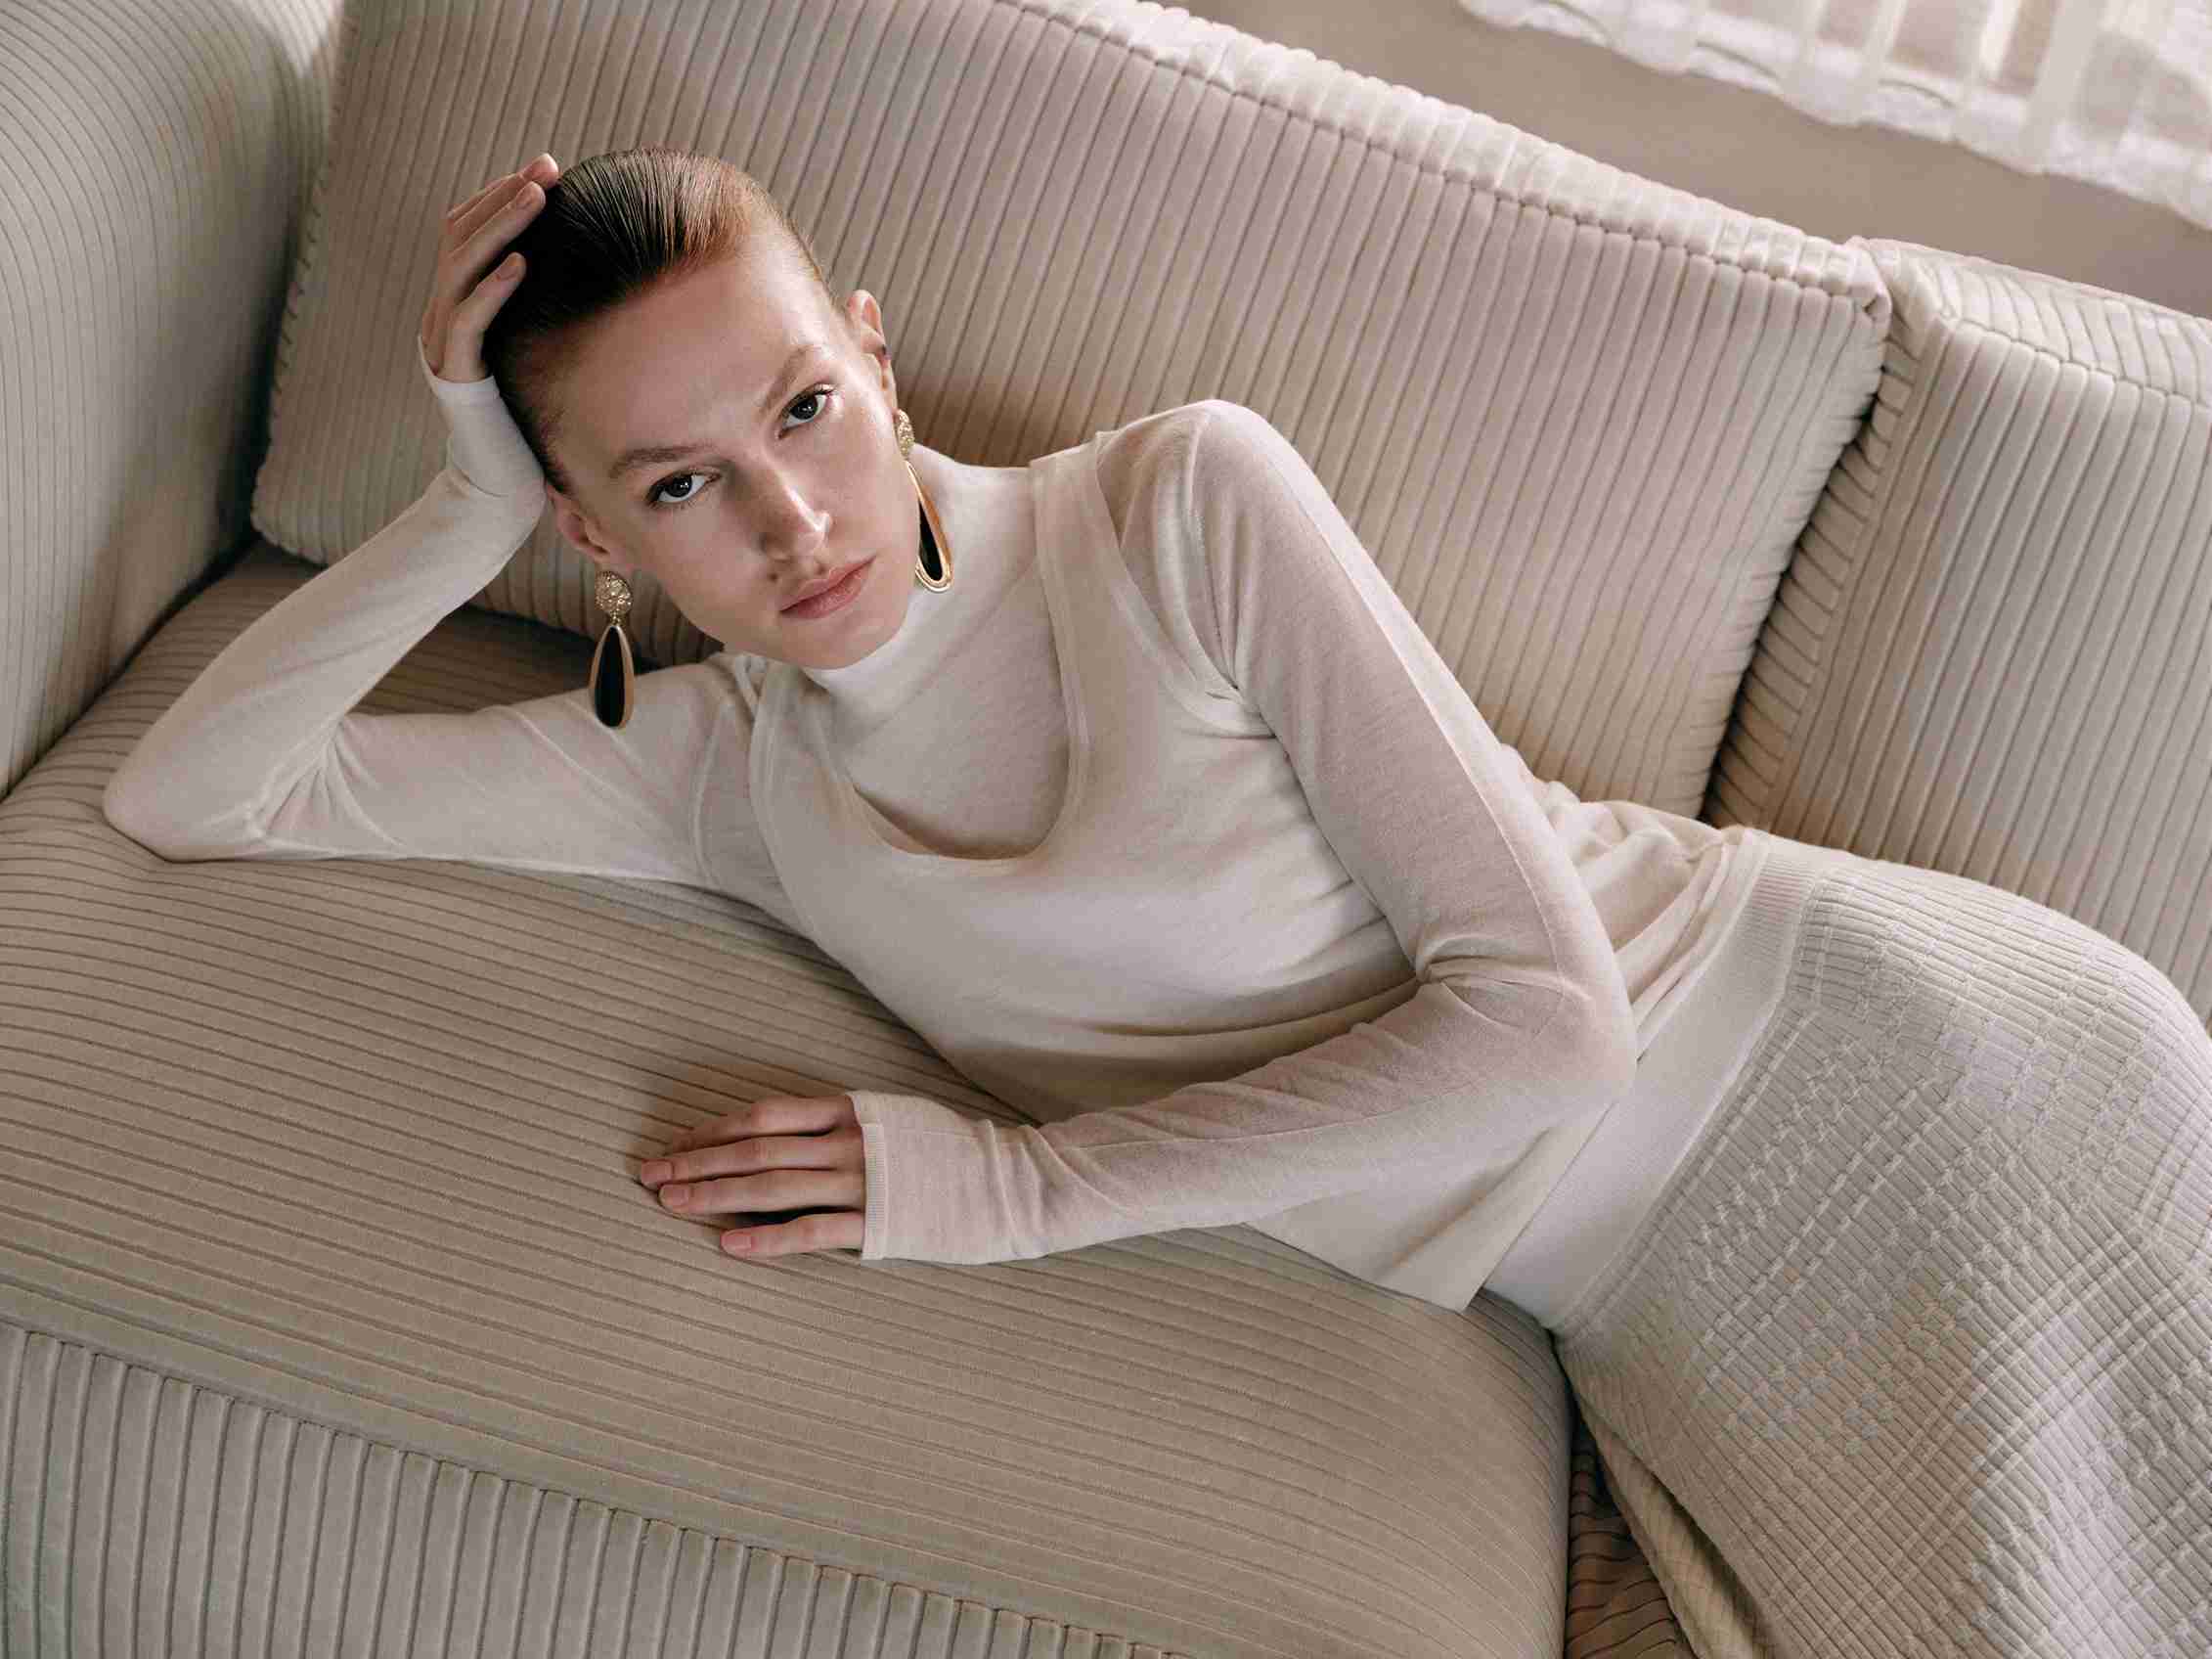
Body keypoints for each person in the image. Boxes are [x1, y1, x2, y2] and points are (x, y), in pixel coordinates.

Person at [102, 146, 2212, 1657]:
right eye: (679, 484)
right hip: (1657, 1308)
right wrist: (465, 503)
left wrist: (1012, 1189)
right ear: (602, 537)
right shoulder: (716, 777)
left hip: (1895, 1081)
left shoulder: (1179, 504)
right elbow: (205, 794)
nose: (794, 515)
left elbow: (1551, 1021)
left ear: (873, 356)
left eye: (804, 408)